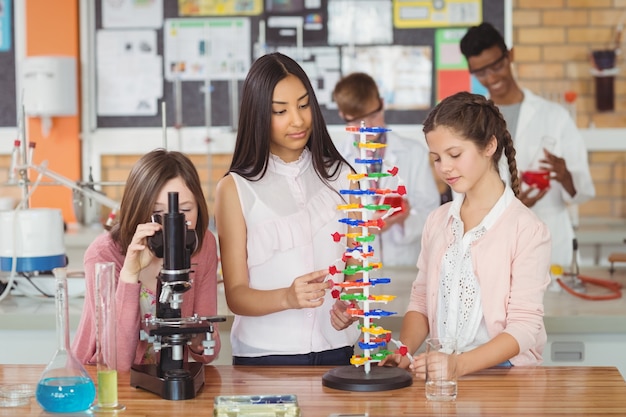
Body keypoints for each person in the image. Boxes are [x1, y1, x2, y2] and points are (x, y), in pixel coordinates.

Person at [382, 92, 551, 377]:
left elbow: (524, 327)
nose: (444, 167)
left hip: (505, 378)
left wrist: (458, 364)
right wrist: (405, 351)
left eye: (455, 154)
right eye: (436, 158)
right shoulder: (438, 220)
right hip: (443, 375)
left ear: (489, 146)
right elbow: (421, 300)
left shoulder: (527, 229)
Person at [214, 52, 360, 366]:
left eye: (304, 105)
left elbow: (356, 265)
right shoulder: (235, 188)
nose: (297, 120)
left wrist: (351, 303)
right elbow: (236, 295)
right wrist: (287, 298)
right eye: (280, 111)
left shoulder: (343, 177)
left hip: (338, 350)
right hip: (265, 359)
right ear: (257, 116)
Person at [72, 149, 221, 371]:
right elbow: (116, 363)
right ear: (138, 207)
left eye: (186, 210)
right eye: (156, 211)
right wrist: (130, 274)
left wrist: (200, 341)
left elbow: (208, 352)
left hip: (166, 373)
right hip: (101, 377)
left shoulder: (203, 243)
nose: (174, 223)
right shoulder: (103, 255)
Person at [460, 22, 595, 267]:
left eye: (497, 66)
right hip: (493, 242)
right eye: (481, 72)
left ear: (510, 56)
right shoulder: (471, 124)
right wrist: (512, 205)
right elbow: (462, 191)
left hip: (548, 238)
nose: (491, 78)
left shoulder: (554, 116)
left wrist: (565, 177)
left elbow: (582, 191)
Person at [332, 72, 441, 268]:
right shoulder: (335, 161)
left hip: (404, 264)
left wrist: (403, 220)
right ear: (343, 116)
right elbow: (330, 220)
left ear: (382, 103)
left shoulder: (413, 153)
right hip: (357, 269)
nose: (369, 127)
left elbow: (431, 213)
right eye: (357, 122)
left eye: (374, 116)